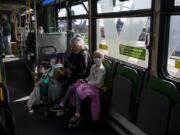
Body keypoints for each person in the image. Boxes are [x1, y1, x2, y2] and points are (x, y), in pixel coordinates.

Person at [51, 51, 106, 127]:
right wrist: (84, 80)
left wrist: (87, 83)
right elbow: (89, 77)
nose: (97, 59)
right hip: (88, 85)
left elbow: (98, 82)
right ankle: (62, 104)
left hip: (96, 88)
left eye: (99, 57)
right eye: (95, 57)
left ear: (102, 58)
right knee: (71, 87)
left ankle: (77, 114)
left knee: (78, 91)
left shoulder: (102, 69)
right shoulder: (93, 67)